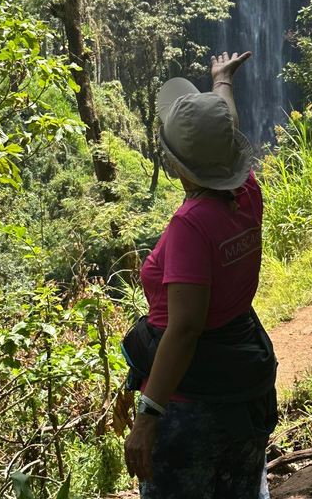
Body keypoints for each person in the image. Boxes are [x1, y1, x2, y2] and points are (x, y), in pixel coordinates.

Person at [121, 51, 278, 499]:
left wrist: (148, 414)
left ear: (176, 165)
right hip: (247, 381)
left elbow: (185, 327)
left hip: (194, 404)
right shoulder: (246, 191)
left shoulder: (190, 226)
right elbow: (223, 127)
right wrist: (222, 81)